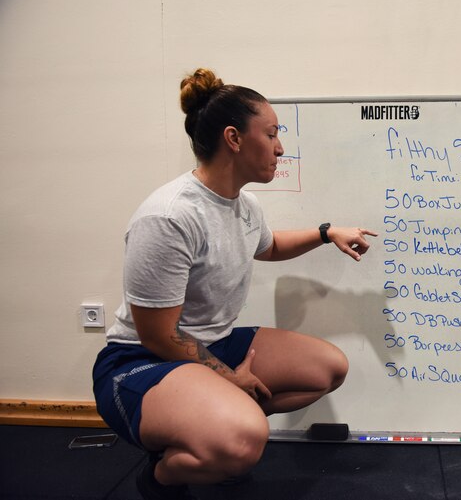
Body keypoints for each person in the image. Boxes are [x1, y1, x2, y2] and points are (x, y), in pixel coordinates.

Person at [92, 68, 377, 499]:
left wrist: (325, 232)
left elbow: (269, 246)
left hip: (214, 343)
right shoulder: (169, 217)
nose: (280, 148)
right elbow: (158, 335)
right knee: (245, 441)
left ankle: (213, 426)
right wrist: (229, 378)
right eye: (272, 134)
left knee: (327, 370)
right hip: (140, 361)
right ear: (234, 138)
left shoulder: (243, 205)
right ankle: (161, 476)